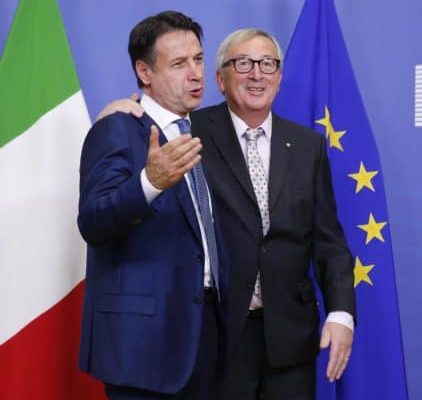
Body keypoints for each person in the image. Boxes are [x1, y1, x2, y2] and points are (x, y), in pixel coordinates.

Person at [98, 28, 355, 400]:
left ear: (280, 77)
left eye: (268, 64)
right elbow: (140, 139)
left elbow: (329, 240)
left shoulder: (307, 146)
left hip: (291, 342)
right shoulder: (187, 133)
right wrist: (118, 110)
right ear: (220, 79)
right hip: (217, 339)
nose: (257, 74)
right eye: (243, 63)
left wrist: (341, 313)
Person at [77, 11, 225, 400]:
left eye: (198, 59)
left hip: (205, 339)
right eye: (178, 64)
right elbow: (93, 221)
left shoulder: (203, 133)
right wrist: (149, 183)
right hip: (142, 349)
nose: (195, 74)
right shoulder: (118, 128)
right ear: (144, 73)